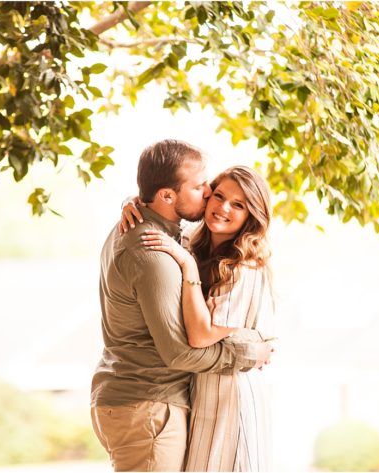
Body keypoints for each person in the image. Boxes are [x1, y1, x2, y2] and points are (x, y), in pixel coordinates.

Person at [90, 140, 272, 472]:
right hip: (147, 404)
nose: (208, 195)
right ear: (167, 196)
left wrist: (134, 203)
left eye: (238, 204)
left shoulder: (163, 236)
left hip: (149, 402)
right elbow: (181, 353)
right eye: (205, 188)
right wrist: (249, 353)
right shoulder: (155, 250)